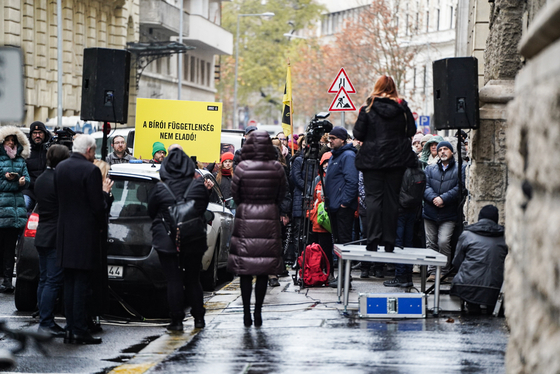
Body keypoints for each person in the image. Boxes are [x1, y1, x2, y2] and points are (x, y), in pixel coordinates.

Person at [148, 148, 214, 332]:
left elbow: (151, 211)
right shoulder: (198, 186)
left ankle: (176, 321)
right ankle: (199, 318)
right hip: (193, 239)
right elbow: (202, 209)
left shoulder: (160, 188)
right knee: (193, 279)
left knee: (174, 280)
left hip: (167, 240)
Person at [55, 135, 113, 344]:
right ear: (88, 150)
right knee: (80, 284)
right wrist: (105, 194)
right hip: (84, 235)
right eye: (94, 151)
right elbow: (98, 207)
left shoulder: (60, 168)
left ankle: (71, 328)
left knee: (69, 283)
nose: (94, 155)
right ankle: (79, 329)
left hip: (64, 234)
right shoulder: (91, 171)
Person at [352, 75, 417, 254]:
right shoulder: (402, 108)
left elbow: (358, 133)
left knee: (373, 199)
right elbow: (411, 130)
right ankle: (389, 242)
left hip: (372, 161)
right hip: (396, 160)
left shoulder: (368, 108)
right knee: (392, 200)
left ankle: (372, 240)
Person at [227, 131, 286, 327]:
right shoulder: (277, 168)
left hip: (246, 219)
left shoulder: (242, 168)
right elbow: (281, 193)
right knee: (263, 269)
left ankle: (246, 313)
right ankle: (258, 312)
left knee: (245, 271)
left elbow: (235, 195)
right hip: (269, 219)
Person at [34, 145, 70, 337]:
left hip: (42, 232)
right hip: (56, 234)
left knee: (44, 278)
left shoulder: (40, 179)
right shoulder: (59, 180)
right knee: (53, 281)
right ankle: (46, 322)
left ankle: (43, 317)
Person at [451, 205, 508, 314]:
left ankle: (472, 309)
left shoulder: (467, 234)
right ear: (496, 219)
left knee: (472, 311)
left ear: (479, 217)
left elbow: (456, 262)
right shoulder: (504, 237)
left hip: (467, 286)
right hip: (496, 288)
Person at [423, 141, 463, 282]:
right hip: (430, 212)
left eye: (446, 149)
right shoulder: (430, 169)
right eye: (440, 150)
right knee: (431, 243)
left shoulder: (460, 168)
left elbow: (460, 188)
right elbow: (425, 186)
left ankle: (444, 272)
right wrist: (434, 198)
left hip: (448, 212)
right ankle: (433, 272)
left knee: (443, 242)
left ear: (451, 152)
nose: (442, 152)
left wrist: (443, 199)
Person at [323, 126, 359, 286]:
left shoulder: (348, 156)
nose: (330, 141)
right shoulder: (334, 155)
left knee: (344, 243)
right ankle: (342, 277)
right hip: (334, 206)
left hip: (342, 207)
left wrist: (344, 202)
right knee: (338, 243)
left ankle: (345, 278)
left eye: (333, 138)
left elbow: (352, 181)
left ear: (342, 139)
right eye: (329, 138)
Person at [384, 161, 426, 287]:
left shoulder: (399, 169)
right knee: (408, 242)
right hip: (413, 210)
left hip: (399, 210)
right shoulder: (419, 168)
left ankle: (400, 276)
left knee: (398, 243)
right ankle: (408, 276)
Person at [0, 127, 31, 293]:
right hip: (1, 209)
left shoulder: (20, 160)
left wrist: (22, 182)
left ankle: (7, 281)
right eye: (8, 140)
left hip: (14, 211)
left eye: (13, 140)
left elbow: (27, 181)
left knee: (10, 247)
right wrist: (13, 183)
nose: (11, 143)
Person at [23, 121, 52, 212]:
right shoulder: (25, 151)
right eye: (35, 133)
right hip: (29, 190)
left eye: (40, 133)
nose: (37, 136)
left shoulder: (51, 149)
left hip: (47, 190)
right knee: (24, 205)